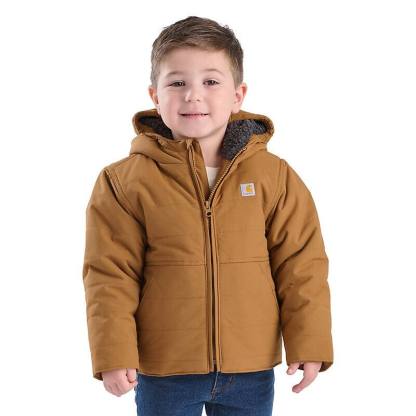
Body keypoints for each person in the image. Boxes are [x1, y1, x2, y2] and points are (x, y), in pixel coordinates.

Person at [82, 15, 334, 416]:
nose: (193, 95)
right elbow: (110, 274)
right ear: (154, 95)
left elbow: (301, 264)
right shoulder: (124, 182)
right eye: (177, 83)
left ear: (238, 95)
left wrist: (310, 342)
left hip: (250, 368)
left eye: (211, 81)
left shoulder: (274, 177)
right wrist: (114, 353)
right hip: (165, 368)